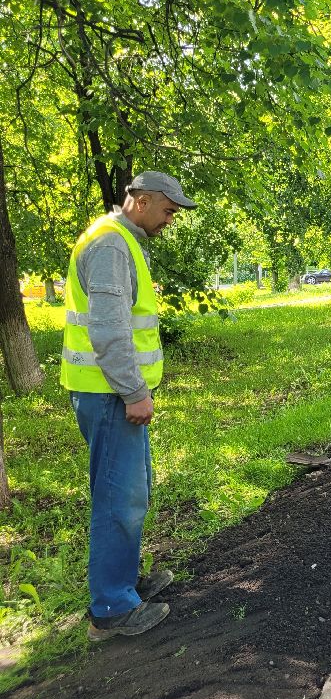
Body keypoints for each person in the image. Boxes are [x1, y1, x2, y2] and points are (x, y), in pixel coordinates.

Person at [61, 171, 197, 641]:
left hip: (111, 393)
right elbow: (108, 328)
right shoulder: (111, 246)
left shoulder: (119, 240)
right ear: (140, 201)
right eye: (167, 209)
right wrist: (134, 390)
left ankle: (123, 581)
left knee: (132, 490)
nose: (170, 219)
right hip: (108, 394)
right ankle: (112, 607)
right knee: (118, 497)